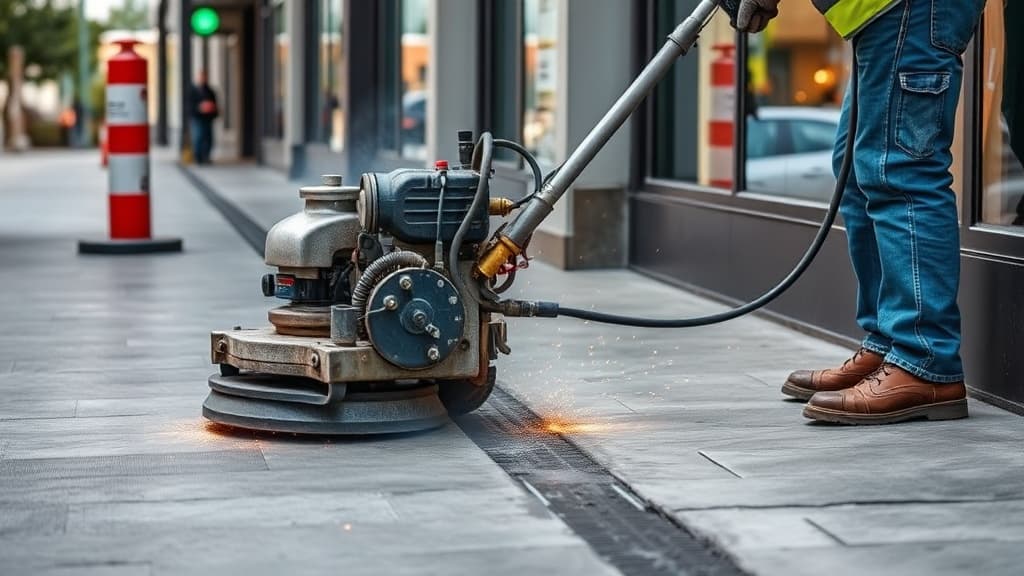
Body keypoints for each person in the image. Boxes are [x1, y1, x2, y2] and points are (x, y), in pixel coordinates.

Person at [733, 0, 987, 424]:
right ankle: (889, 343)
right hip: (881, 15)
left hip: (910, 8)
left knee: (901, 172)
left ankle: (923, 361)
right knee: (855, 171)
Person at [190, 70, 219, 165]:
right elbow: (189, 106)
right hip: (198, 119)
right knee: (198, 137)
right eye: (201, 76)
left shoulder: (211, 91)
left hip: (208, 119)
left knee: (209, 138)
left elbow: (215, 105)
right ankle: (198, 158)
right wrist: (200, 108)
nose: (203, 78)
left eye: (205, 76)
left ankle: (206, 157)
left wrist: (212, 109)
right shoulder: (194, 91)